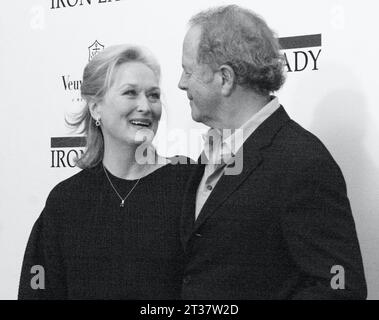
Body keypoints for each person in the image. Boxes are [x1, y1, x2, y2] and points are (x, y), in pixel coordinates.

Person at [178, 5, 367, 299]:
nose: (181, 83)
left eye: (188, 71)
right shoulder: (210, 153)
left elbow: (340, 286)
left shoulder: (302, 162)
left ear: (225, 78)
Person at [19, 44, 191, 299]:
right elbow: (39, 289)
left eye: (153, 95)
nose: (145, 106)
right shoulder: (66, 200)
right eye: (130, 93)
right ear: (96, 107)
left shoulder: (187, 182)